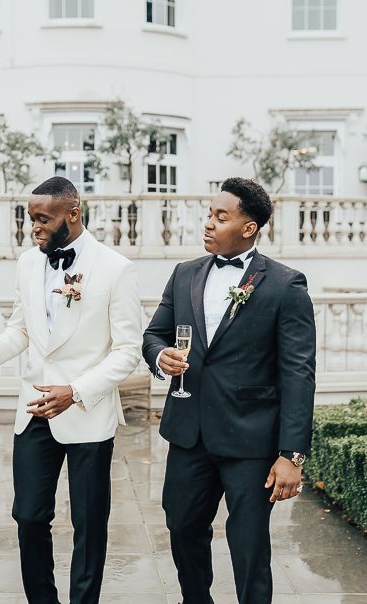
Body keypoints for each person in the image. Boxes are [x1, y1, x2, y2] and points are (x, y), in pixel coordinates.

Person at [142, 177, 316, 604]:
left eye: (221, 217)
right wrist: (160, 356)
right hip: (189, 434)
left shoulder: (284, 284)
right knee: (182, 527)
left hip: (251, 440)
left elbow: (298, 373)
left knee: (249, 544)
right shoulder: (184, 275)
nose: (209, 223)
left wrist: (291, 454)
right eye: (209, 214)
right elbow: (153, 335)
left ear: (249, 227)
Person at [0, 176, 142, 604]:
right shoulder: (28, 263)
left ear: (73, 214)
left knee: (89, 523)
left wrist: (77, 390)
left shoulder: (115, 268)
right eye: (31, 218)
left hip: (87, 411)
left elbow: (128, 351)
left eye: (43, 219)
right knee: (28, 516)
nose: (35, 227)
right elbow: (21, 328)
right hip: (33, 408)